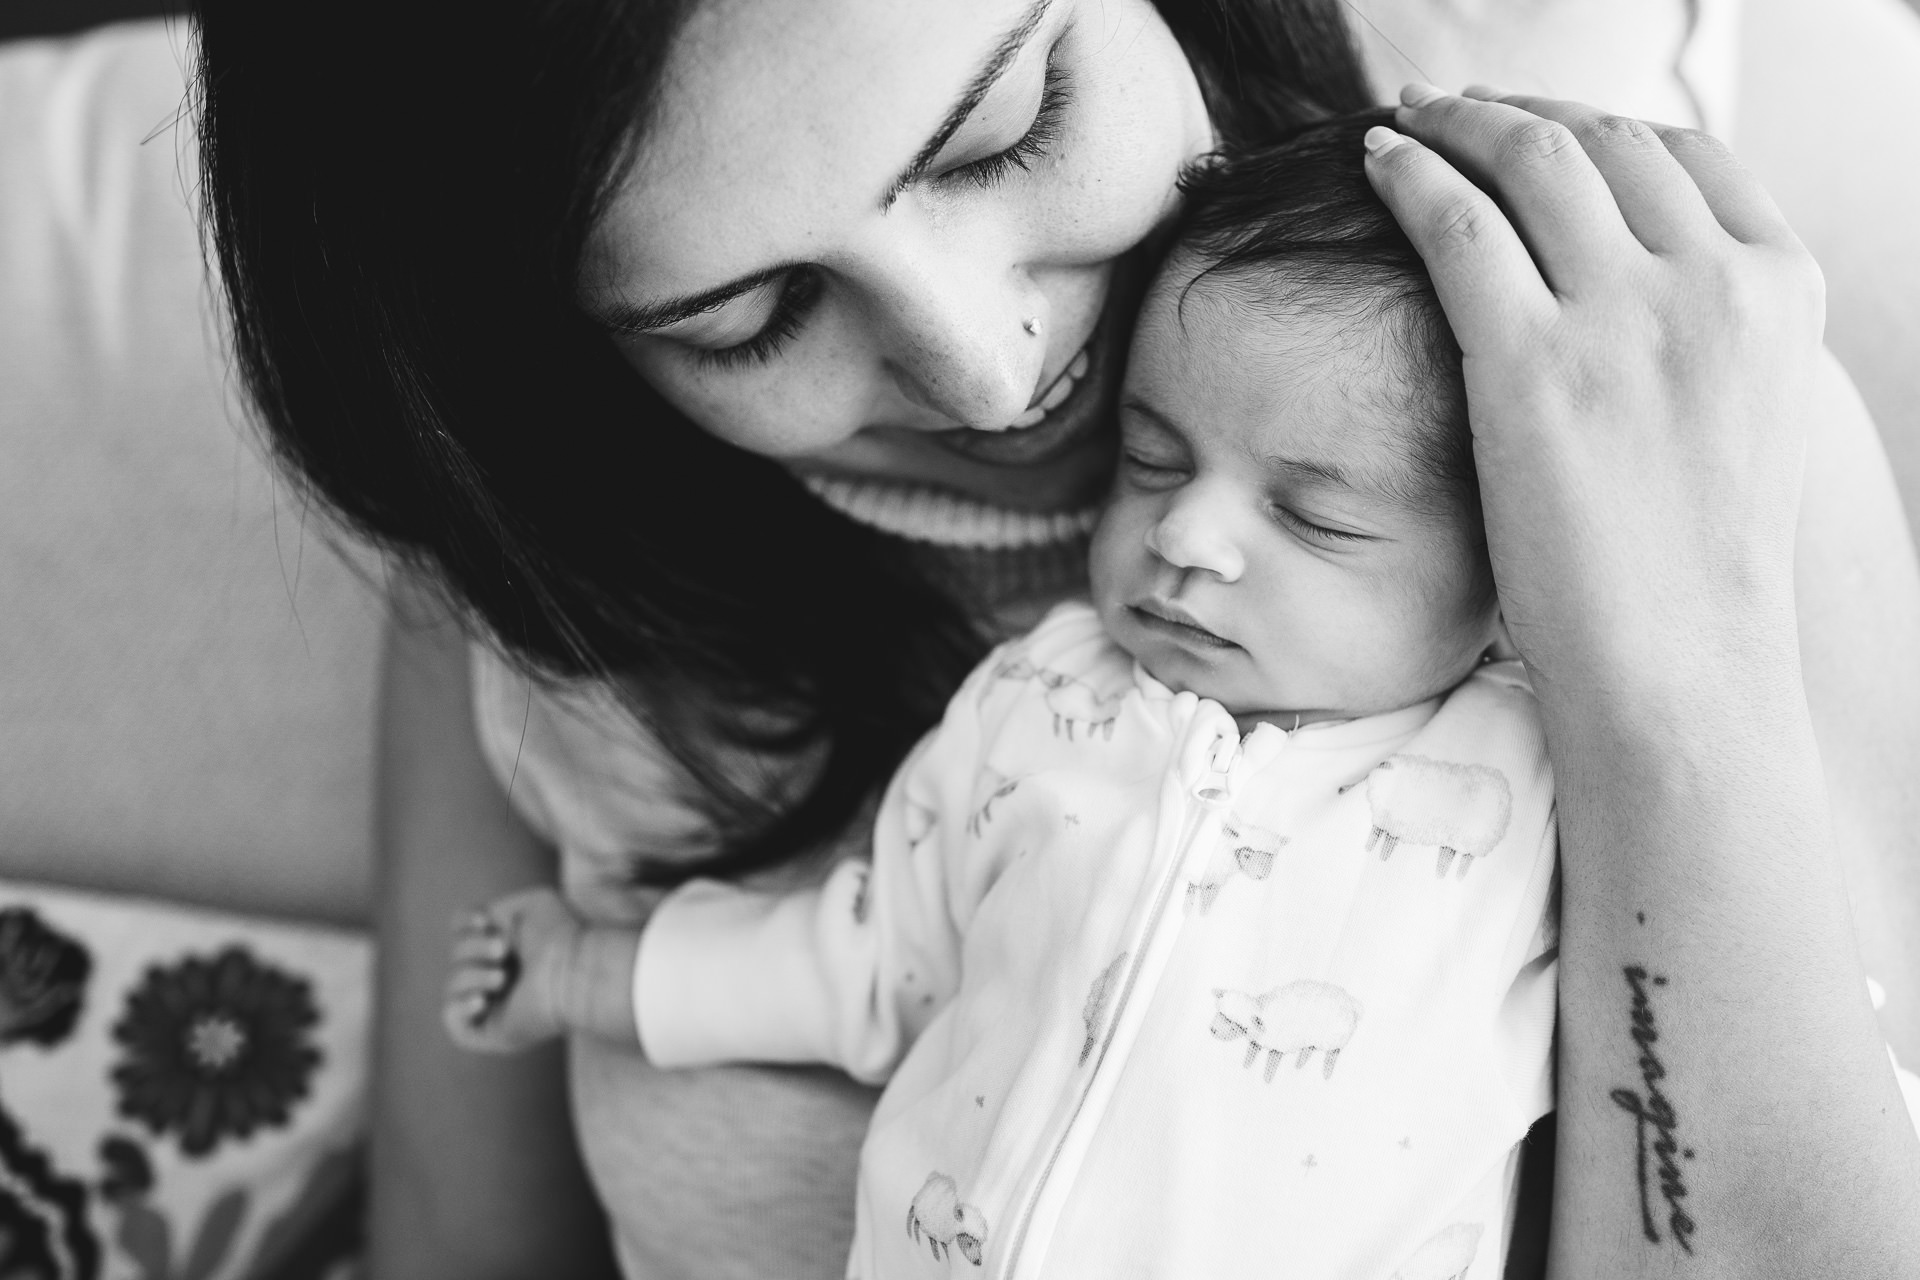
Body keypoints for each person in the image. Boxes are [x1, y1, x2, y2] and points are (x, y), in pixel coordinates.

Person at [192, 0, 1920, 1275]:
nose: (987, 370)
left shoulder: (1666, 426)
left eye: (1008, 128)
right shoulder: (557, 588)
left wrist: (1651, 694)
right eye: (750, 315)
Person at [445, 112, 1565, 1280]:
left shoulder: (1536, 775)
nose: (1184, 531)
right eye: (1153, 460)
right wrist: (593, 973)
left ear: (1509, 571)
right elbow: (870, 958)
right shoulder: (1039, 699)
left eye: (1313, 517)